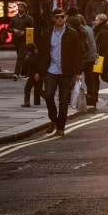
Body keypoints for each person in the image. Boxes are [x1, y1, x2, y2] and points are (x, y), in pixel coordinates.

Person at [37, 8, 84, 137]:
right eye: (57, 17)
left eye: (62, 17)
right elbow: (42, 54)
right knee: (48, 95)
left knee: (63, 101)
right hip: (51, 70)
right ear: (53, 18)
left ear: (66, 18)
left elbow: (78, 54)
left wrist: (77, 72)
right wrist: (38, 71)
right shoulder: (47, 33)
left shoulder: (72, 33)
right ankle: (54, 119)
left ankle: (60, 127)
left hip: (66, 72)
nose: (60, 19)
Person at [71, 14, 99, 112]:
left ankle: (77, 99)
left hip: (86, 57)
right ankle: (92, 100)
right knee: (90, 79)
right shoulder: (89, 28)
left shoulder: (82, 30)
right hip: (91, 56)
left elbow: (85, 45)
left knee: (77, 77)